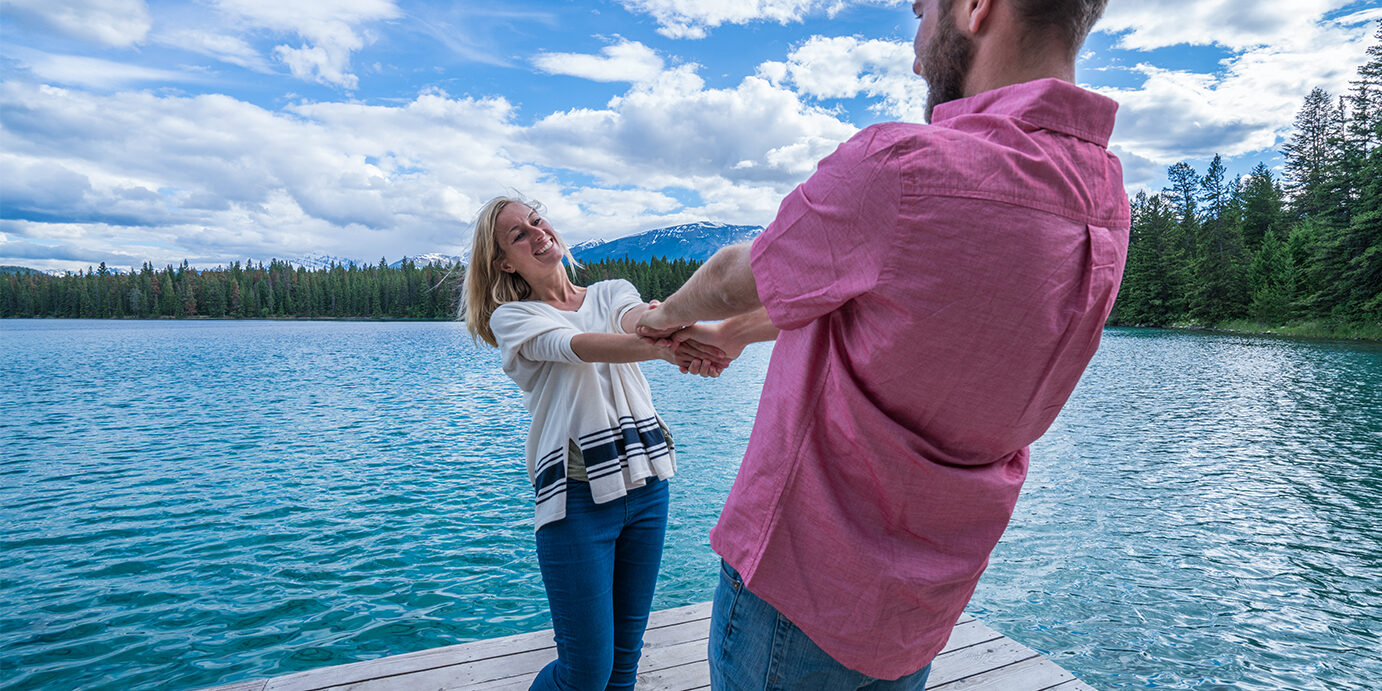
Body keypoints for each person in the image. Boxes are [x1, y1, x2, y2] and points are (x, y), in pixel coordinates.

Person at [637, 0, 1128, 687]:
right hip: (918, 609)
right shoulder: (1104, 201)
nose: (916, 44)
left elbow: (728, 276)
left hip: (797, 595)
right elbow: (893, 311)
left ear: (977, 9)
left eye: (923, 11)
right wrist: (738, 335)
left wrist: (659, 320)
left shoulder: (904, 168)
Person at [462, 196, 725, 690]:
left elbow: (633, 318)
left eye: (536, 220)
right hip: (576, 501)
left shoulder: (610, 292)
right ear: (503, 262)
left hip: (647, 490)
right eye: (518, 234)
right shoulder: (513, 319)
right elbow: (577, 346)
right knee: (585, 673)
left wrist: (661, 325)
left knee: (625, 662)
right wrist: (666, 349)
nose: (537, 232)